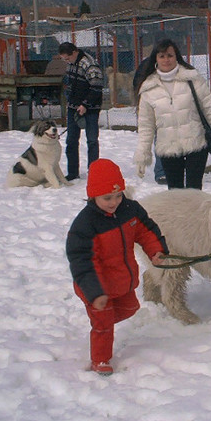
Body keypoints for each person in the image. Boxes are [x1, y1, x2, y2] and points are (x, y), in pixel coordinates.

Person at [66, 159, 169, 375]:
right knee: (103, 323)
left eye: (118, 195)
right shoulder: (85, 224)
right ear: (93, 195)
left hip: (121, 280)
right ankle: (100, 359)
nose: (114, 202)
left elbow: (146, 231)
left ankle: (102, 324)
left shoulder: (129, 210)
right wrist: (95, 293)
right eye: (107, 198)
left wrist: (156, 251)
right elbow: (81, 261)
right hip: (96, 285)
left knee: (131, 308)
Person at [134, 38, 211, 189]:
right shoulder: (148, 89)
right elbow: (146, 126)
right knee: (175, 194)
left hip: (196, 144)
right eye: (162, 56)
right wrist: (142, 154)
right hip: (168, 148)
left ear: (177, 57)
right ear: (156, 59)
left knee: (194, 192)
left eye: (170, 55)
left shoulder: (192, 79)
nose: (166, 60)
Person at [59, 42, 103, 181]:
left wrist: (85, 104)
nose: (66, 62)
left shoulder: (89, 64)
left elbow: (97, 87)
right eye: (64, 59)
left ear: (74, 52)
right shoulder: (71, 64)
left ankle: (94, 171)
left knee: (92, 140)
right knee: (71, 140)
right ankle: (72, 172)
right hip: (73, 107)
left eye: (67, 58)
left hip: (90, 108)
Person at [133, 56, 166, 185]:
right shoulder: (147, 68)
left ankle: (164, 171)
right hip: (154, 107)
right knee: (159, 137)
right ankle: (161, 171)